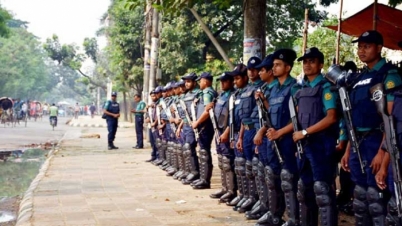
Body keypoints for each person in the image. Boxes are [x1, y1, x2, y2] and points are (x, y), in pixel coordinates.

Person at [339, 30, 402, 225]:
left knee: (377, 199)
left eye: (366, 46)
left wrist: (382, 154)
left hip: (377, 141)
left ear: (379, 48)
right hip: (357, 142)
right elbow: (352, 118)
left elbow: (389, 120)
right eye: (359, 47)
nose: (361, 51)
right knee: (360, 197)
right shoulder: (358, 79)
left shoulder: (389, 76)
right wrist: (348, 150)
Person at [292, 47, 339, 226]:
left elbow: (331, 117)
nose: (307, 65)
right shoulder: (301, 89)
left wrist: (304, 132)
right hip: (304, 146)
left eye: (312, 61)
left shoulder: (326, 87)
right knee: (305, 190)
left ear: (321, 65)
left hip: (321, 145)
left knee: (323, 191)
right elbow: (297, 118)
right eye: (305, 62)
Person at [208, 72, 237, 202]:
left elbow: (235, 117)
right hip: (218, 131)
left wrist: (227, 132)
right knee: (221, 160)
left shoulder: (233, 95)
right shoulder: (221, 95)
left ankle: (231, 190)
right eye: (221, 81)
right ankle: (224, 188)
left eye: (225, 81)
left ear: (231, 81)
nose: (223, 83)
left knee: (228, 161)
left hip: (227, 132)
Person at [190, 72, 218, 189]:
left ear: (205, 81)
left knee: (204, 152)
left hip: (205, 126)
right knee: (202, 152)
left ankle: (205, 180)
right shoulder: (204, 93)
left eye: (200, 80)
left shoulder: (207, 93)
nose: (199, 83)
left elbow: (207, 111)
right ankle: (203, 178)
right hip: (203, 125)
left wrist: (197, 122)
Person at [176, 72, 201, 185]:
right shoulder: (186, 95)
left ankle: (196, 173)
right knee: (187, 149)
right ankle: (190, 171)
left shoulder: (198, 94)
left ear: (195, 82)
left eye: (189, 81)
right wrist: (181, 125)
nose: (186, 83)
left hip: (194, 125)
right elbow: (185, 115)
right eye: (185, 81)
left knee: (191, 148)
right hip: (186, 125)